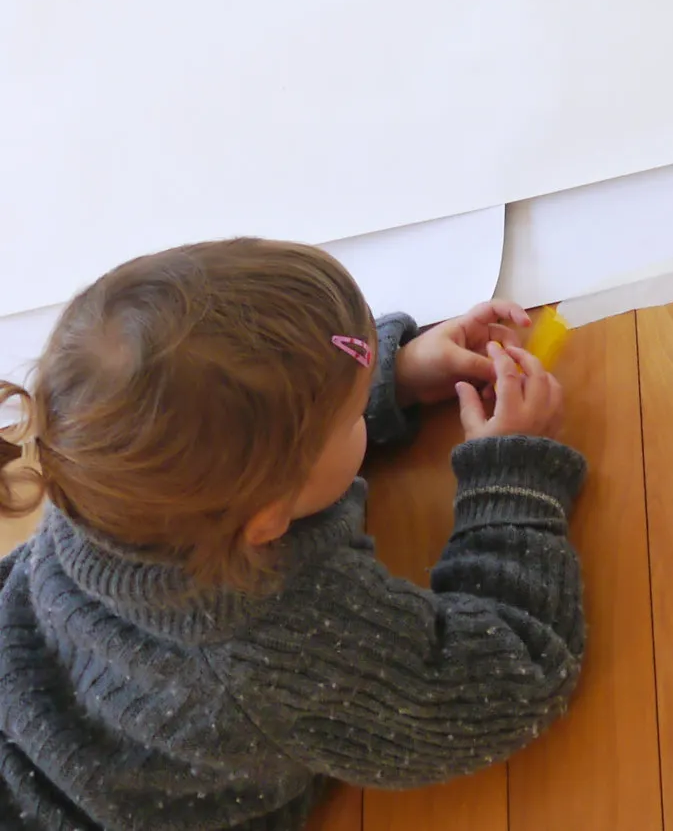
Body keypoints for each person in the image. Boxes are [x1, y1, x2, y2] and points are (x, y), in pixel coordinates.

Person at [0, 239, 585, 831]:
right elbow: (507, 683)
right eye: (352, 414)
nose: (361, 404)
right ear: (268, 520)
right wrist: (511, 477)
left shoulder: (108, 475)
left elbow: (249, 438)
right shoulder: (279, 639)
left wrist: (394, 375)